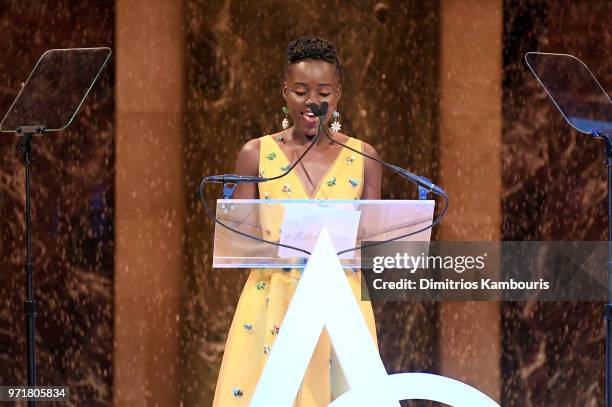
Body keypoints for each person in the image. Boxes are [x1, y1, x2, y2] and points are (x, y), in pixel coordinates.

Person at [212, 36, 382, 406]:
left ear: (337, 95)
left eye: (323, 92)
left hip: (341, 305)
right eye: (301, 91)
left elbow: (375, 238)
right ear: (285, 91)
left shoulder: (363, 156)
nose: (312, 102)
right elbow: (240, 239)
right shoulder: (255, 153)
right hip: (273, 299)